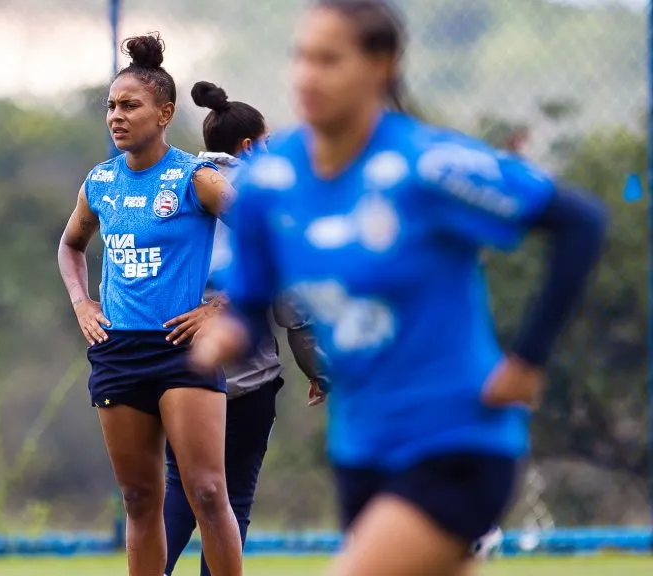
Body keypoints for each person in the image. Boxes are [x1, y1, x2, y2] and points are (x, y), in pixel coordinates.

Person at [189, 1, 608, 575]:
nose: (308, 76)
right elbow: (257, 290)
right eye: (302, 58)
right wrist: (228, 332)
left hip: (457, 440)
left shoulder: (428, 166)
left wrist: (529, 358)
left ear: (382, 65)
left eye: (329, 60)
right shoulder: (270, 182)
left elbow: (580, 223)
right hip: (362, 446)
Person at [56, 33, 243, 576]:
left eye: (130, 106)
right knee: (139, 500)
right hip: (118, 353)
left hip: (183, 351)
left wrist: (220, 306)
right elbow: (71, 246)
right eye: (111, 106)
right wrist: (82, 303)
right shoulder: (100, 182)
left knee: (207, 491)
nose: (117, 117)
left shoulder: (195, 179)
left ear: (164, 113)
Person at [162, 81, 330, 576]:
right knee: (233, 496)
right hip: (246, 375)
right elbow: (292, 305)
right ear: (250, 146)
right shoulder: (257, 201)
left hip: (176, 363)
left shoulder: (177, 183)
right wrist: (317, 368)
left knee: (179, 489)